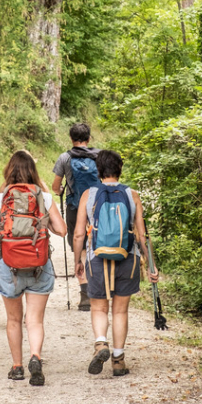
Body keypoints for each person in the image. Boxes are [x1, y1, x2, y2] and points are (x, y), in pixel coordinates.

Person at [72, 149, 158, 377]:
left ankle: (101, 344)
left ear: (98, 170)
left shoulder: (88, 195)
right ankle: (118, 361)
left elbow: (79, 234)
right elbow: (142, 235)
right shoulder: (132, 195)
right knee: (120, 311)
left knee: (99, 307)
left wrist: (78, 260)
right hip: (127, 257)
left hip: (97, 258)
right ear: (120, 169)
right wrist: (151, 265)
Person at [0, 150, 67, 385]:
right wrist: (43, 224)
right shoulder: (43, 197)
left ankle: (17, 366)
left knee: (13, 319)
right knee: (35, 320)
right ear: (33, 171)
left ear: (9, 170)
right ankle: (35, 356)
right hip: (39, 264)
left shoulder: (1, 199)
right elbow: (62, 230)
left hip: (10, 265)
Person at [52, 122, 99, 311]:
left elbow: (56, 187)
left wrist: (62, 190)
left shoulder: (65, 158)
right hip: (98, 207)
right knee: (97, 245)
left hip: (75, 207)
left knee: (79, 248)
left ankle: (84, 295)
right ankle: (99, 288)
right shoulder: (100, 156)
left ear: (71, 139)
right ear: (88, 139)